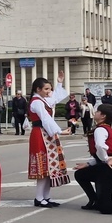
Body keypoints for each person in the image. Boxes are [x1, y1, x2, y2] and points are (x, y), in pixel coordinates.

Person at [27, 72, 70, 207]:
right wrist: (59, 131)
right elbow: (45, 118)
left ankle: (46, 196)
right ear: (37, 89)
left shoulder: (42, 100)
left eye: (49, 89)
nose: (49, 92)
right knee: (43, 166)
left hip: (46, 133)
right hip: (40, 133)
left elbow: (55, 99)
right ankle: (39, 198)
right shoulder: (37, 103)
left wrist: (59, 83)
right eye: (46, 89)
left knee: (49, 166)